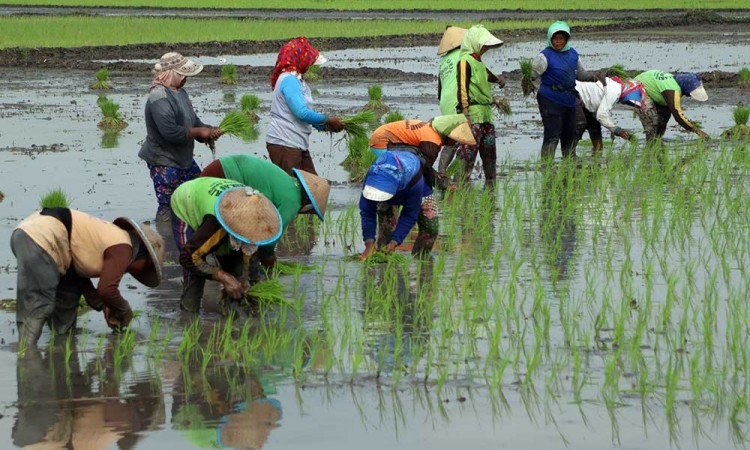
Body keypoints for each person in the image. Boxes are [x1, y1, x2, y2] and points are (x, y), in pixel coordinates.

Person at [10, 208, 164, 346]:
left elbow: (83, 283)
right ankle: (27, 355)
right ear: (143, 257)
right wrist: (124, 311)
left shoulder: (109, 237)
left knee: (68, 296)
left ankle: (62, 348)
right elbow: (107, 289)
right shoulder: (124, 247)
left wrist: (103, 306)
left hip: (30, 233)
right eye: (145, 267)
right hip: (42, 237)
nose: (136, 272)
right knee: (40, 302)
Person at [170, 177, 282, 313]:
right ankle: (189, 314)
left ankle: (235, 314)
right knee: (195, 272)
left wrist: (244, 277)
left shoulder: (253, 216)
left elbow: (248, 252)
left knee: (242, 274)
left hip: (221, 201)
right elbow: (187, 258)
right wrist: (224, 277)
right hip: (188, 198)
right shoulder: (215, 224)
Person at [200, 154, 331, 269]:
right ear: (307, 202)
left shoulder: (287, 181)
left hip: (221, 166)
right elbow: (271, 237)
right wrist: (269, 260)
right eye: (310, 211)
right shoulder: (293, 201)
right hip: (224, 176)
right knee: (225, 236)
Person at [138, 52, 223, 221]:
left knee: (200, 193)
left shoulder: (181, 93)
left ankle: (188, 236)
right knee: (168, 206)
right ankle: (166, 239)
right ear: (171, 74)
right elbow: (170, 132)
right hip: (164, 161)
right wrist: (199, 132)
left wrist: (208, 131)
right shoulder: (159, 97)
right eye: (183, 75)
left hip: (184, 159)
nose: (186, 79)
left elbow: (192, 120)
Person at [266, 36, 345, 175]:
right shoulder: (289, 80)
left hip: (295, 143)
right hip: (285, 143)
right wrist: (327, 120)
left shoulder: (296, 79)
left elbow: (304, 114)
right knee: (293, 191)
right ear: (300, 59)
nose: (309, 65)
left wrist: (325, 126)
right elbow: (301, 112)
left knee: (311, 188)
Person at [528, 21, 602, 161]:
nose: (558, 42)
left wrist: (595, 76)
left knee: (569, 136)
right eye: (555, 39)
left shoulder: (573, 54)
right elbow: (532, 76)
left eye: (561, 39)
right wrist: (534, 85)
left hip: (569, 99)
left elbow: (581, 75)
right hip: (550, 99)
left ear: (566, 39)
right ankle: (547, 168)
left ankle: (569, 167)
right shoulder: (544, 56)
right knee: (552, 135)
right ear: (550, 39)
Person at [359, 151, 437, 260]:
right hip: (386, 183)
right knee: (386, 230)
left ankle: (421, 263)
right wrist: (369, 244)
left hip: (415, 185)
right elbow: (367, 212)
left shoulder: (415, 180)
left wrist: (395, 242)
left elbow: (409, 214)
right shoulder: (372, 177)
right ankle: (384, 264)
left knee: (430, 229)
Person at [369, 114, 476, 189]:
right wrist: (444, 185)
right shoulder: (432, 141)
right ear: (448, 135)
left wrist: (436, 175)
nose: (455, 143)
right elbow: (424, 168)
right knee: (400, 174)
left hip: (383, 135)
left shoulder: (430, 128)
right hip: (383, 141)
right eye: (456, 140)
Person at [455, 25, 505, 185]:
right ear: (474, 43)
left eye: (486, 46)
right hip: (473, 116)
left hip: (486, 116)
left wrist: (499, 80)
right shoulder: (464, 61)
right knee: (467, 155)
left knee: (489, 154)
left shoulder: (479, 62)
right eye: (483, 45)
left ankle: (491, 188)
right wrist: (465, 114)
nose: (485, 49)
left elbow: (489, 76)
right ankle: (460, 187)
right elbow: (462, 87)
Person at [574, 76, 647, 154]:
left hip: (585, 103)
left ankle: (598, 154)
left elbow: (599, 110)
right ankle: (569, 154)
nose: (625, 103)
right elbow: (601, 116)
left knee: (595, 126)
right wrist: (618, 130)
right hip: (575, 94)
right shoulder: (615, 91)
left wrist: (611, 127)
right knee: (580, 124)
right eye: (628, 102)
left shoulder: (615, 87)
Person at [633, 70, 710, 141]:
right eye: (689, 93)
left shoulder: (673, 83)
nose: (688, 96)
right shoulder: (672, 90)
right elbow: (678, 116)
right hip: (635, 90)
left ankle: (658, 142)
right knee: (652, 121)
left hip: (651, 87)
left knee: (664, 115)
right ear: (686, 87)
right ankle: (650, 145)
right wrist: (698, 131)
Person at [436, 26, 468, 175]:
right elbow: (484, 73)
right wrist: (499, 80)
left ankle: (441, 171)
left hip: (445, 102)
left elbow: (439, 88)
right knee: (465, 140)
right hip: (458, 102)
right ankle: (459, 175)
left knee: (451, 138)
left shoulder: (444, 61)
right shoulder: (464, 56)